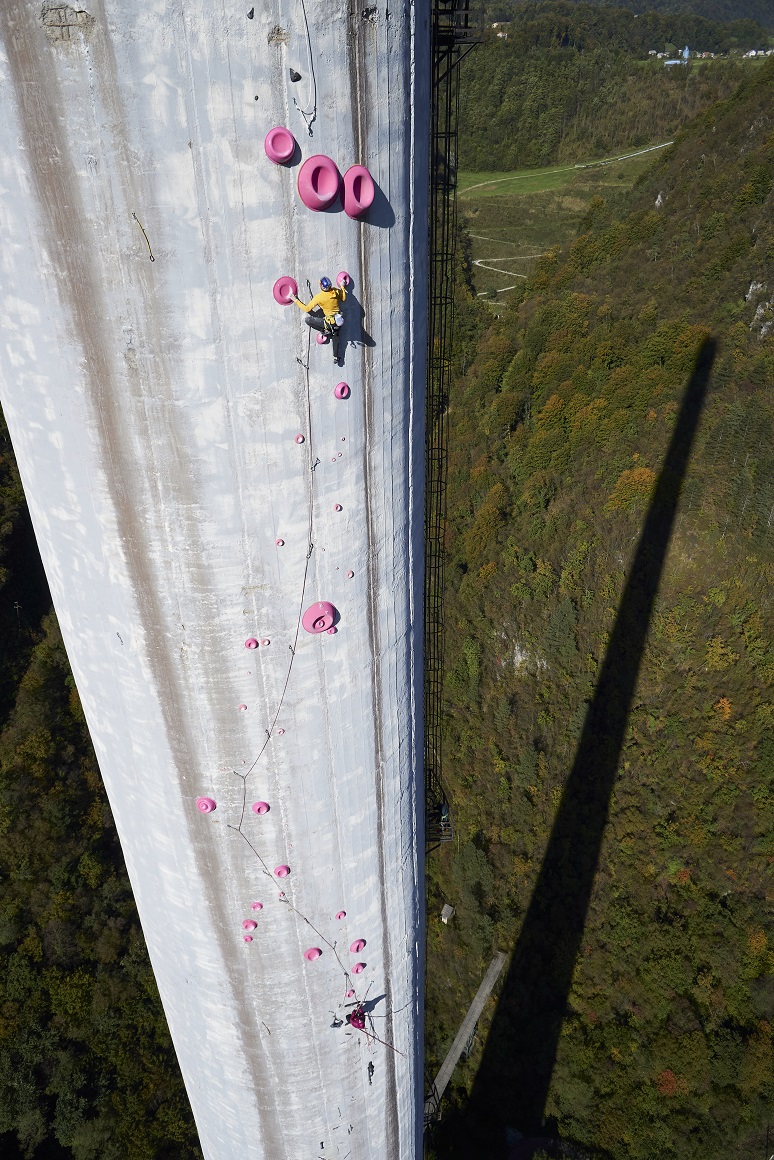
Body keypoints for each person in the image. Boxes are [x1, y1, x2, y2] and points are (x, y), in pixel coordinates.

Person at [293, 276, 347, 363]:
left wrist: (295, 300)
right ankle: (336, 357)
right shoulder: (335, 291)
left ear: (321, 286)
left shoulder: (319, 297)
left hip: (328, 323)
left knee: (308, 320)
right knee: (335, 337)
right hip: (338, 321)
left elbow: (307, 309)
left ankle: (324, 330)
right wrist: (342, 286)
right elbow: (343, 298)